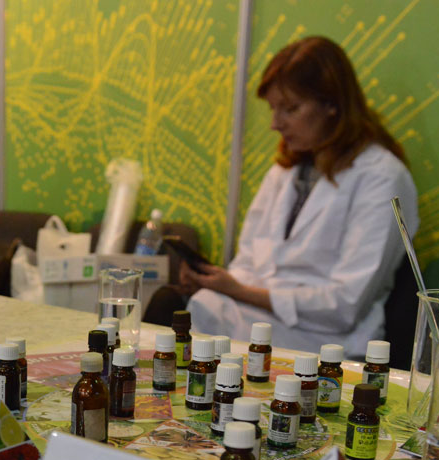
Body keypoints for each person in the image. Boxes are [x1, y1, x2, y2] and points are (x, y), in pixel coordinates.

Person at [179, 36, 418, 357]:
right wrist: (212, 281)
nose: (275, 124)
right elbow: (249, 261)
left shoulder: (382, 177)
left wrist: (240, 291)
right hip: (260, 321)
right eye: (273, 109)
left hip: (326, 343)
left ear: (333, 105)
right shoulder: (287, 171)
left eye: (291, 109)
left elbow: (346, 304)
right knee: (194, 307)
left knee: (200, 324)